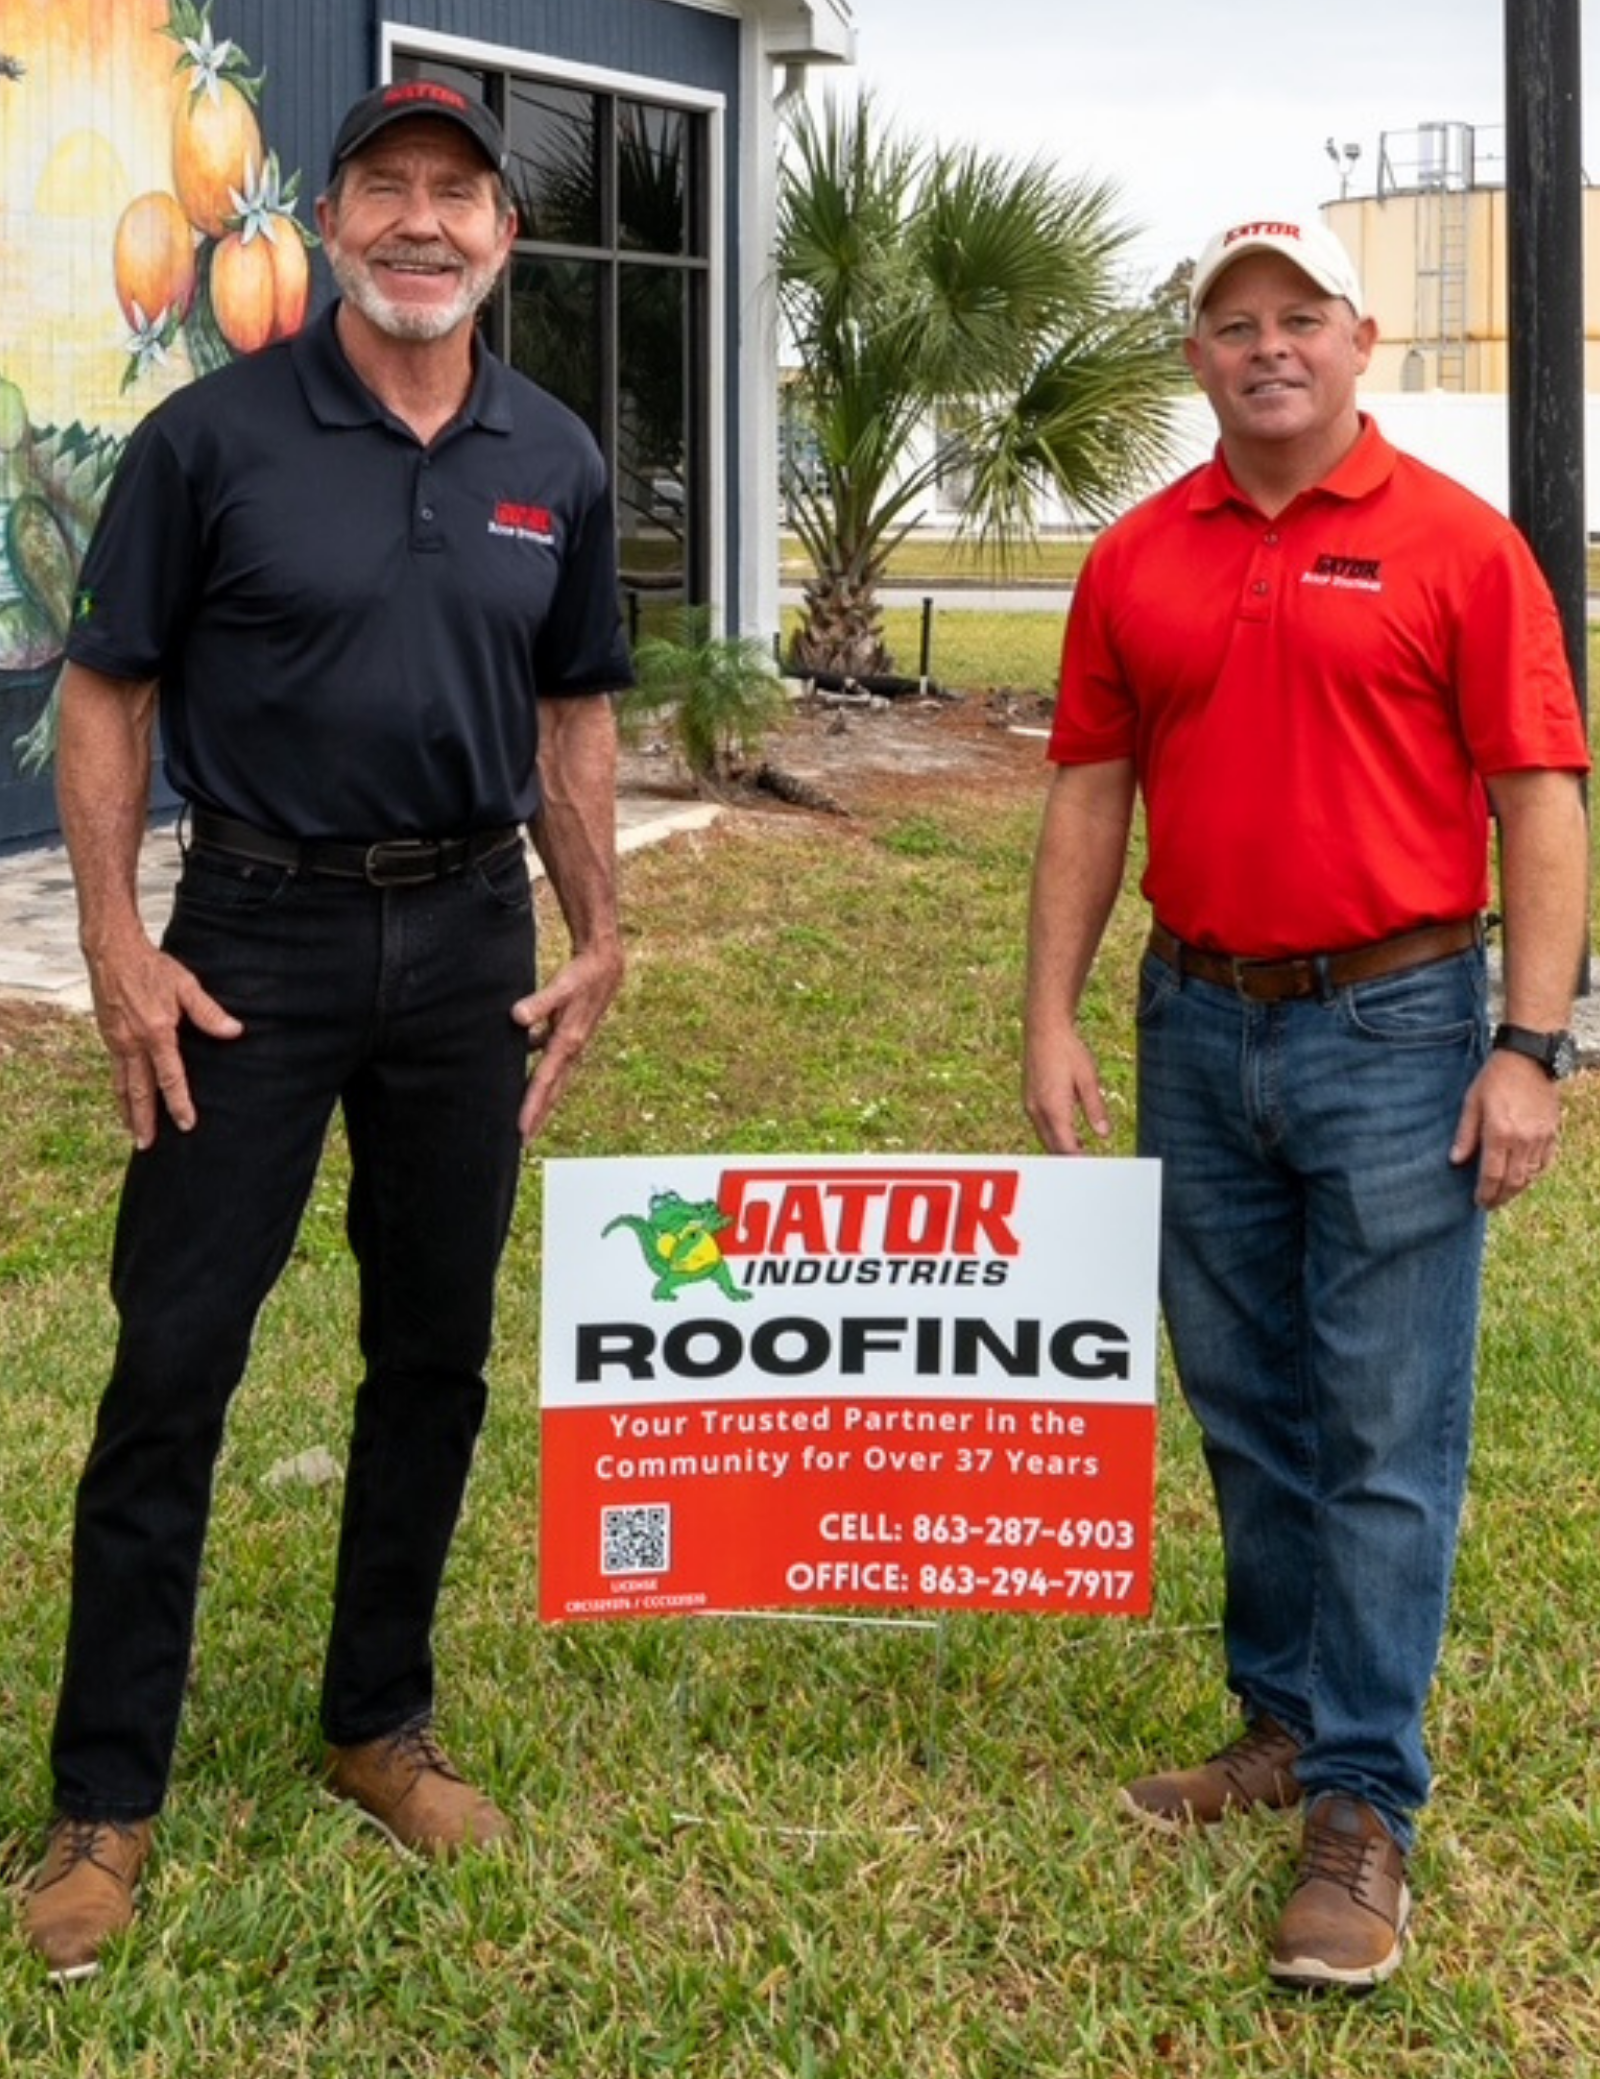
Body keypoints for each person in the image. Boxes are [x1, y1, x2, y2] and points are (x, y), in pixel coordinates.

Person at [23, 80, 632, 1979]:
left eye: (460, 192)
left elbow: (573, 711)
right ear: (335, 221)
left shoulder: (555, 455)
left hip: (468, 941)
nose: (423, 221)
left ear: (503, 236)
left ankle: (379, 1719)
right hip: (253, 940)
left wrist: (602, 929)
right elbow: (108, 693)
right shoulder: (210, 439)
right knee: (173, 1359)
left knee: (433, 1350)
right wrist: (117, 944)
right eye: (388, 187)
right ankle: (105, 1796)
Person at [1024, 216, 1589, 1990]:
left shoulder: (1462, 547)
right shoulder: (1138, 556)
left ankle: (1362, 1800)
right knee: (1246, 1400)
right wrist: (1049, 1012)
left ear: (1361, 341)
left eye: (1299, 317)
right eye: (1231, 321)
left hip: (1404, 1026)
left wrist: (1533, 1044)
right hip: (1196, 1023)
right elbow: (1090, 789)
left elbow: (1541, 794)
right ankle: (1279, 1720)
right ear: (1196, 356)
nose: (1266, 345)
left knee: (1385, 1426)